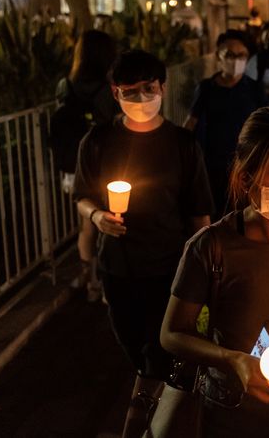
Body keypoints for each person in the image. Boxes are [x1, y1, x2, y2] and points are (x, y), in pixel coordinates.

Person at [161, 105, 269, 437]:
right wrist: (232, 360)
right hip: (230, 412)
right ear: (247, 178)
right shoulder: (211, 246)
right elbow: (172, 333)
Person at [73, 49, 214, 438]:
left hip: (170, 269)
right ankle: (152, 413)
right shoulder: (98, 141)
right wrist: (97, 216)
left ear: (162, 88)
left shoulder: (183, 145)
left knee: (158, 352)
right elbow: (82, 195)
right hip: (119, 268)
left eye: (147, 88)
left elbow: (199, 215)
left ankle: (138, 424)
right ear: (115, 93)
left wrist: (206, 276)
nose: (140, 98)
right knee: (137, 350)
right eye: (129, 91)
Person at [53, 29, 119, 301]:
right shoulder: (107, 89)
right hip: (102, 164)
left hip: (72, 166)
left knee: (86, 224)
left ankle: (90, 280)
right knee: (104, 221)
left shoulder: (65, 85)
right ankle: (105, 282)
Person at [184, 30, 266, 219]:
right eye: (229, 55)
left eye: (241, 55)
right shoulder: (206, 88)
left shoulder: (255, 89)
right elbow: (191, 121)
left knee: (245, 214)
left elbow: (266, 125)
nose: (235, 60)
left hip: (247, 163)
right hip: (213, 164)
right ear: (218, 57)